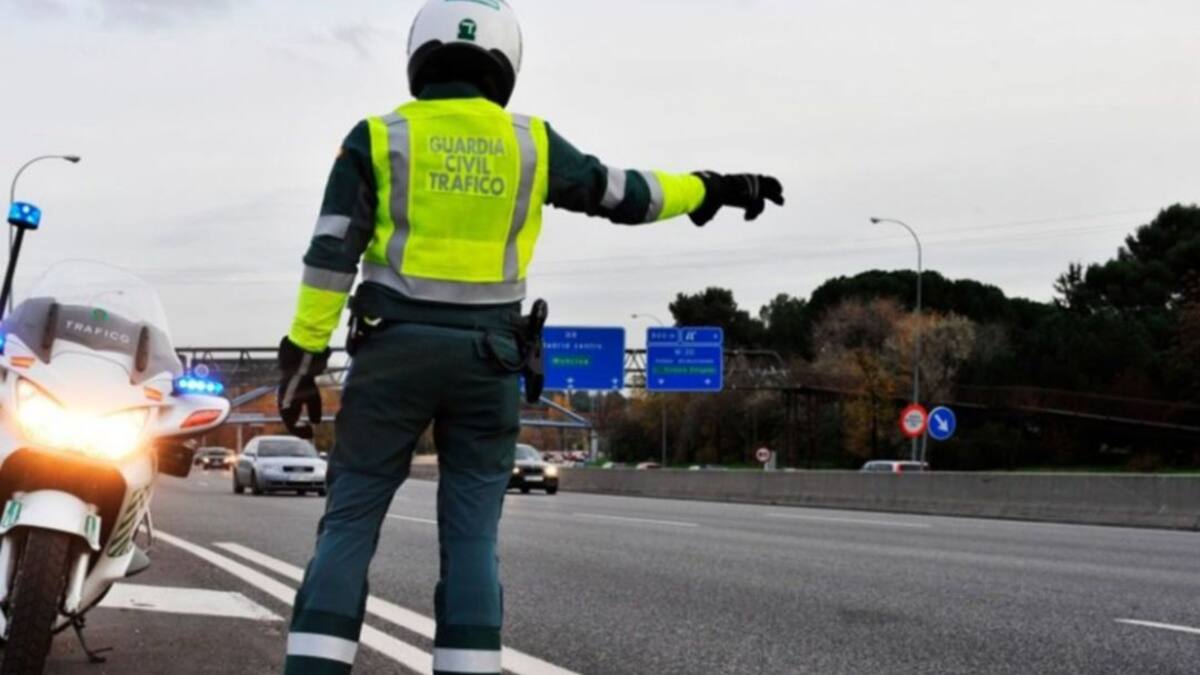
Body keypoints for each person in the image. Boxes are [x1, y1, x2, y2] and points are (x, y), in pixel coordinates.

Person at [276, 1, 784, 673]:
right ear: (505, 60)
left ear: (419, 55)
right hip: (489, 364)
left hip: (391, 357)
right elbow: (626, 193)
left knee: (348, 523)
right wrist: (712, 188)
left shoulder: (376, 137)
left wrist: (303, 354)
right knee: (472, 537)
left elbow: (330, 254)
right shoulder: (531, 142)